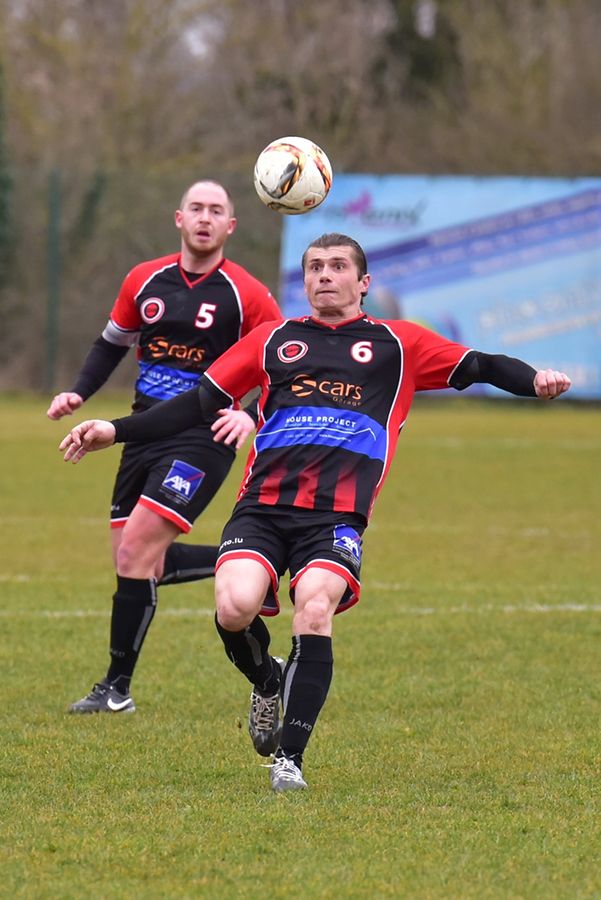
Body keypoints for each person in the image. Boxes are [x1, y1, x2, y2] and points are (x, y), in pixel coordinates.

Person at [58, 232, 571, 790]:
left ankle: (290, 760)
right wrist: (115, 429)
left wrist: (534, 380)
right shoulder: (272, 339)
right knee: (233, 607)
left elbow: (481, 364)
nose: (325, 275)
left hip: (336, 517)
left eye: (338, 266)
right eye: (315, 267)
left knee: (315, 607)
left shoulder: (398, 344)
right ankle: (266, 679)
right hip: (262, 509)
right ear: (304, 282)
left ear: (363, 282)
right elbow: (199, 403)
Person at [48, 180, 282, 714]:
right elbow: (111, 343)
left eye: (216, 211)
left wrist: (248, 415)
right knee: (140, 565)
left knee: (135, 551)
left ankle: (116, 690)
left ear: (230, 226)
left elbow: (285, 362)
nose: (205, 218)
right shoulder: (144, 279)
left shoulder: (246, 293)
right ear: (179, 218)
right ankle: (249, 563)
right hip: (142, 430)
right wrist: (79, 392)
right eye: (196, 208)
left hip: (203, 438)